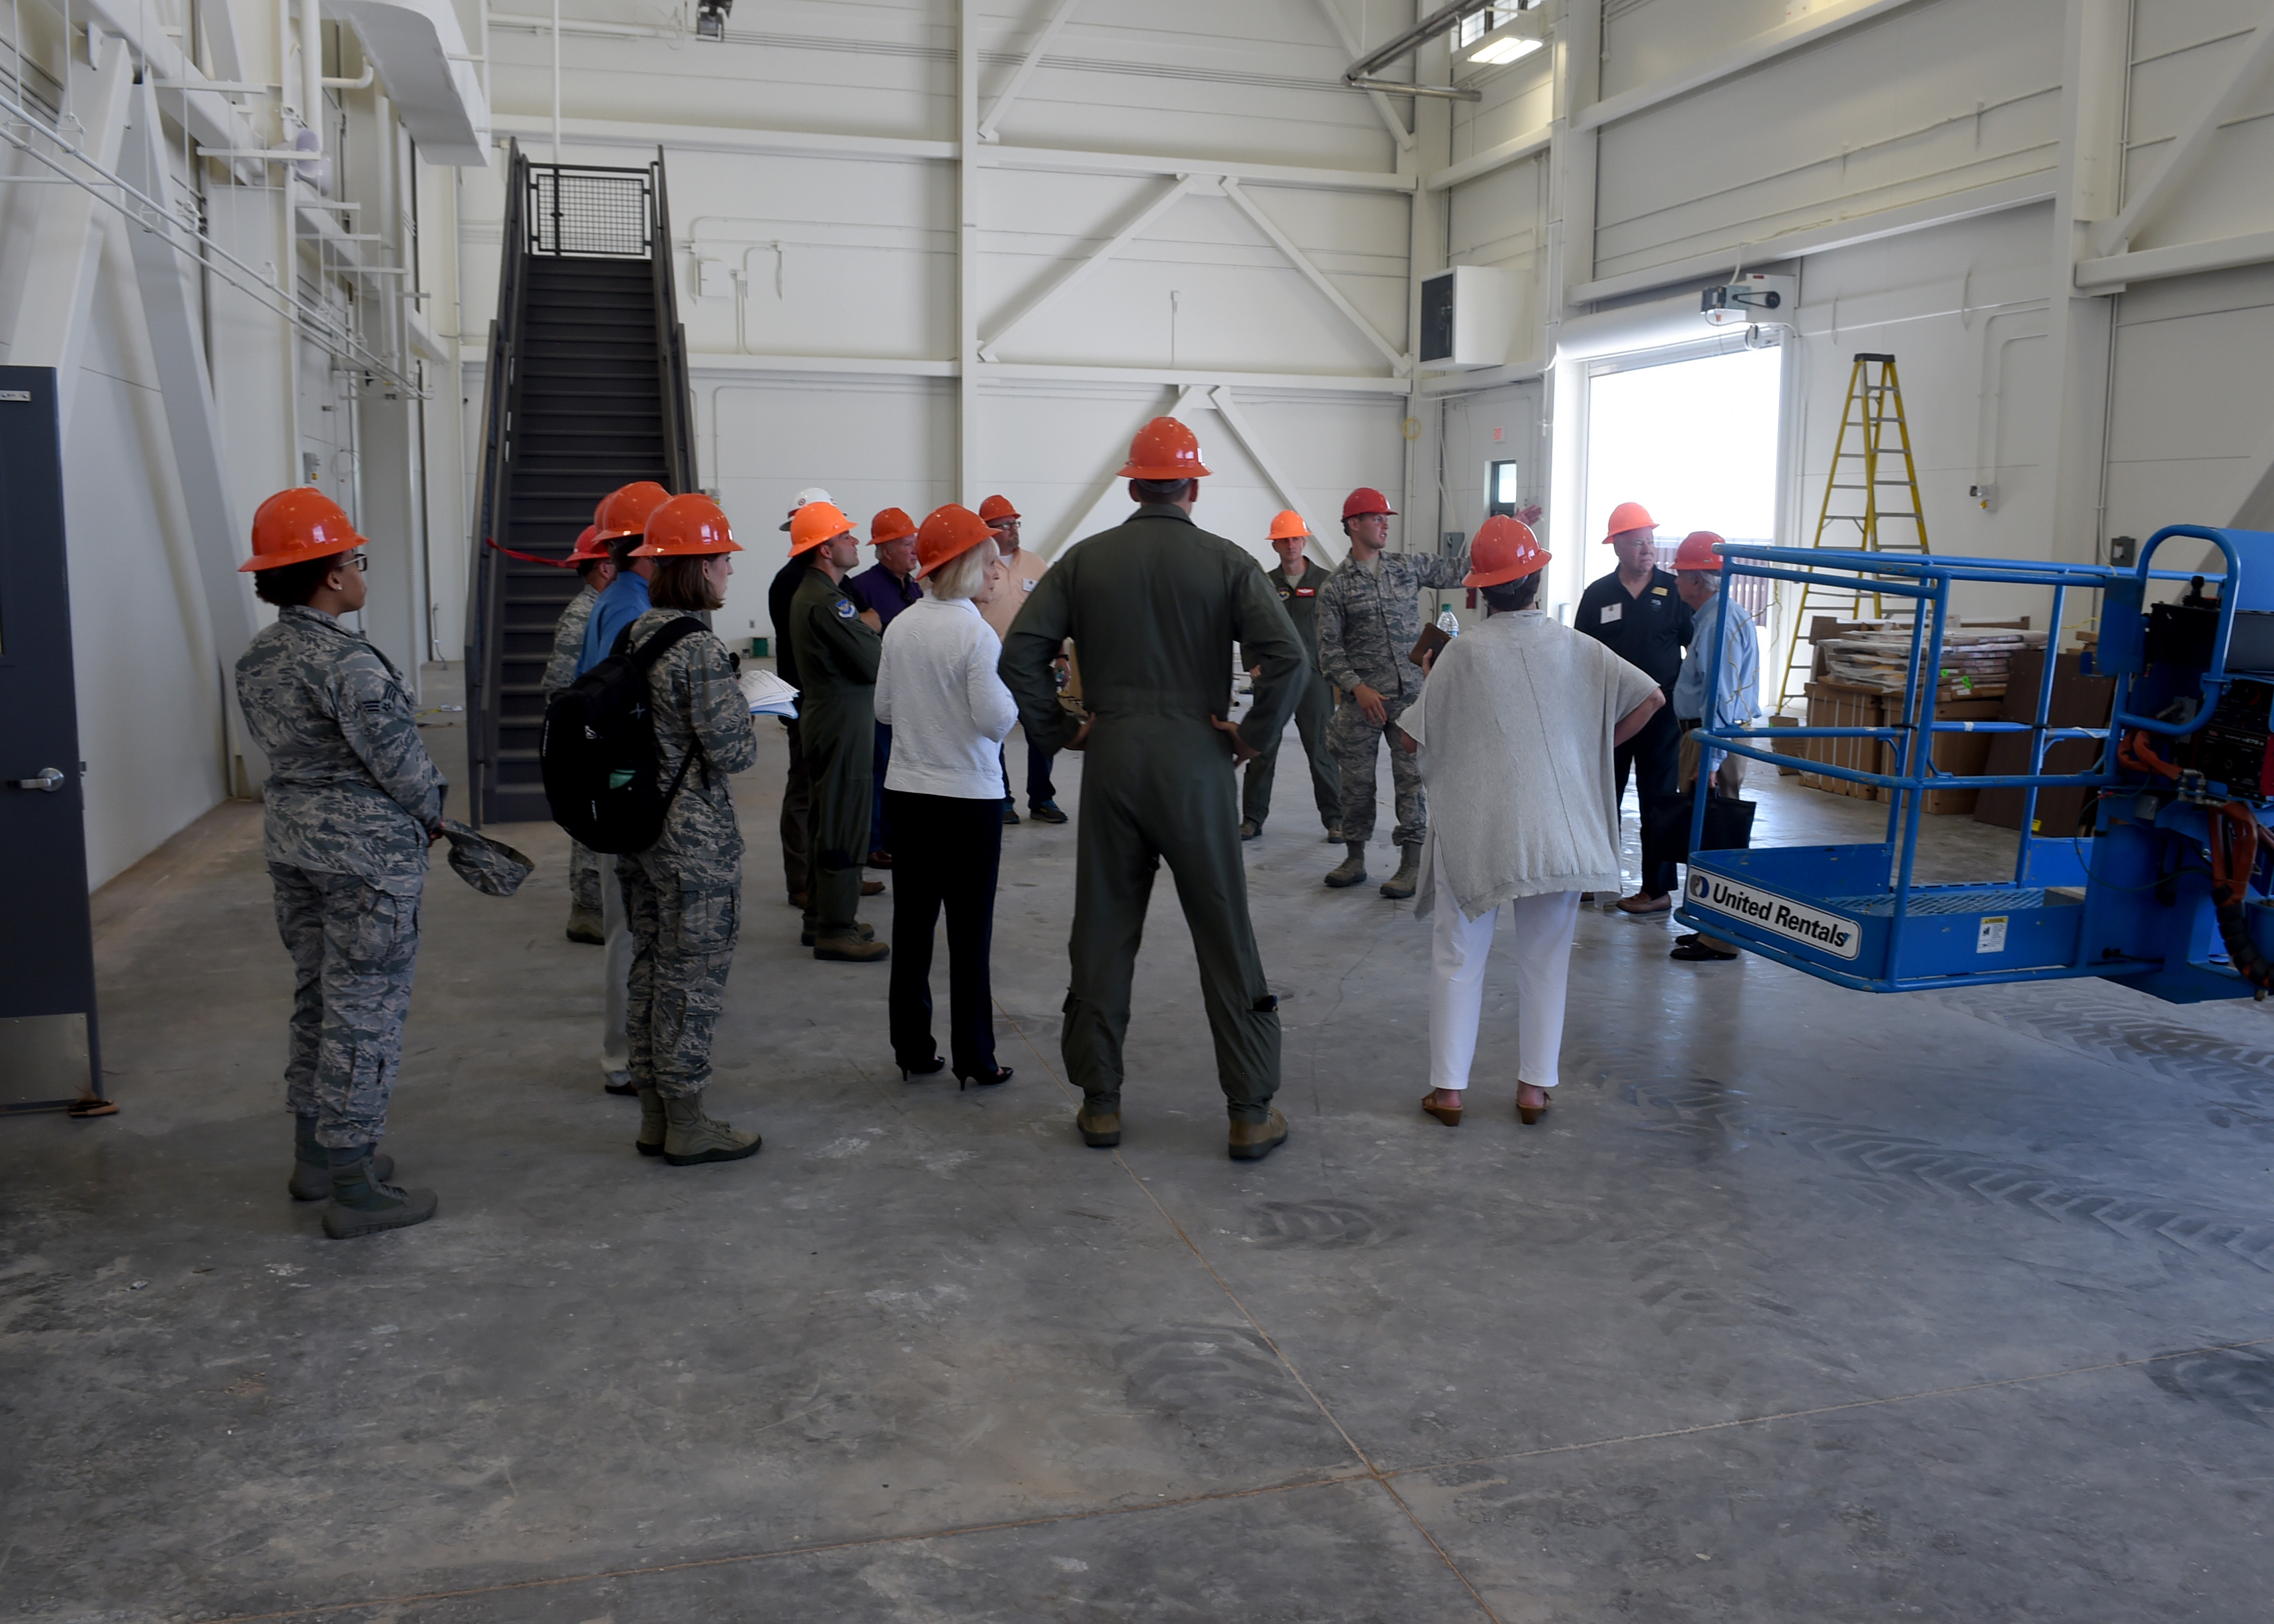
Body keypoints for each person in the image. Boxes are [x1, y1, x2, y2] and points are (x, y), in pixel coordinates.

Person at [999, 417, 1306, 1162]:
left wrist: (1063, 730)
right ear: (1193, 487)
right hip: (1198, 761)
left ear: (1132, 485)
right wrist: (1249, 736)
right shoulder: (1228, 562)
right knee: (1224, 931)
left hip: (1112, 759)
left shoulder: (1084, 562)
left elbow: (1020, 654)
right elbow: (1288, 658)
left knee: (1103, 927)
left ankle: (1100, 1102)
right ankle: (1248, 1108)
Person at [1394, 516, 1665, 1129]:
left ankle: (1450, 1092)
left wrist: (1439, 689)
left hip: (1480, 829)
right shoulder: (1580, 649)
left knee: (1458, 953)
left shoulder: (1461, 655)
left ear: (1482, 590)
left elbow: (1412, 742)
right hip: (1559, 831)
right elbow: (1651, 698)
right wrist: (1590, 747)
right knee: (1546, 957)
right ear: (1537, 577)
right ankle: (1534, 1089)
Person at [233, 488, 445, 1238]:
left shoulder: (257, 657)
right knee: (365, 1007)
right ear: (329, 575)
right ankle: (352, 1185)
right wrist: (432, 813)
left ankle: (314, 1156)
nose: (362, 572)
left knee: (318, 996)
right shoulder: (348, 662)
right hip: (364, 857)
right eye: (356, 560)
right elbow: (405, 767)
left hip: (293, 844)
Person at [614, 493, 765, 1165]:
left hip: (641, 826)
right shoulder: (697, 647)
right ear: (700, 567)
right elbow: (734, 752)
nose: (730, 571)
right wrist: (749, 703)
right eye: (724, 560)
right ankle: (689, 1118)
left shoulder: (636, 633)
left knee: (651, 966)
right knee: (693, 976)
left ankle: (653, 1113)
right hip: (693, 839)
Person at [875, 505, 1021, 1086]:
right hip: (968, 801)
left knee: (912, 928)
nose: (994, 575)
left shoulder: (901, 626)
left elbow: (883, 708)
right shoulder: (975, 635)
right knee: (969, 933)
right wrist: (1013, 700)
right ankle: (976, 1058)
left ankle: (912, 1049)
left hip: (908, 795)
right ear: (963, 568)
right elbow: (994, 721)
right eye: (987, 565)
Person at [1315, 487, 1470, 898]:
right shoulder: (1336, 588)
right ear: (1353, 525)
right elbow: (1328, 652)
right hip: (1361, 702)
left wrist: (1515, 528)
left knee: (1411, 781)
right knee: (1357, 783)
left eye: (1386, 519)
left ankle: (1410, 863)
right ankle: (1354, 857)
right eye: (1377, 518)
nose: (1385, 525)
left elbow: (1460, 570)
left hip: (1409, 698)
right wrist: (1358, 688)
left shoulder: (1406, 567)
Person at [575, 481, 675, 1097]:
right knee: (632, 928)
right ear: (649, 549)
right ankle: (623, 1055)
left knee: (631, 924)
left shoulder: (618, 598)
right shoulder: (633, 608)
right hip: (627, 788)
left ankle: (630, 1048)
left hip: (614, 781)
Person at [1576, 499, 1694, 916]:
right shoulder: (1599, 595)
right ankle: (1593, 877)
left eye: (1651, 542)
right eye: (1639, 543)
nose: (1648, 550)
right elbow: (1580, 655)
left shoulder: (1673, 590)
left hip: (1661, 716)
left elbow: (1692, 647)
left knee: (1658, 798)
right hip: (1610, 713)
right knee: (1601, 796)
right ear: (1618, 547)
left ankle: (1657, 889)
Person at [786, 499, 891, 962]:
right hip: (841, 721)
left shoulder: (818, 594)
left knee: (828, 818)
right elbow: (873, 662)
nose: (854, 542)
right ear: (825, 550)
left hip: (829, 716)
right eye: (845, 537)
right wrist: (870, 630)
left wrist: (866, 629)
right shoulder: (828, 601)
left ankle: (821, 917)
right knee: (844, 820)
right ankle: (836, 926)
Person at [1663, 530, 1761, 963]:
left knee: (1716, 836)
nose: (1676, 581)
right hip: (1711, 734)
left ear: (1697, 581)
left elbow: (1718, 697)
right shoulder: (1719, 617)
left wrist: (1712, 759)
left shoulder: (1717, 624)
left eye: (1681, 574)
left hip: (1711, 736)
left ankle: (1721, 937)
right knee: (1706, 836)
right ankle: (1709, 929)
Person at [1237, 510, 1341, 843]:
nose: (1291, 545)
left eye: (1296, 538)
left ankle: (1336, 820)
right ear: (1276, 545)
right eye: (1285, 540)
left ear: (1304, 540)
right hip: (1275, 679)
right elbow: (1248, 625)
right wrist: (1251, 661)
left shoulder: (1326, 582)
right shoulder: (1265, 584)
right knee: (1261, 749)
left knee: (1322, 751)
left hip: (1315, 678)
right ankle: (1252, 819)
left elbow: (1343, 629)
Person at [544, 523, 615, 946]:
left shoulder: (599, 608)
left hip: (589, 725)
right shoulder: (586, 615)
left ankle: (592, 906)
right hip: (584, 728)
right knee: (592, 814)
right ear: (606, 567)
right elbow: (561, 683)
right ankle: (587, 911)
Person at [978, 493, 1065, 825]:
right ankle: (1001, 799)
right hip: (989, 663)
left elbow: (1053, 614)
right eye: (1006, 525)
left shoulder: (1035, 564)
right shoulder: (979, 563)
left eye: (1016, 523)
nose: (1014, 530)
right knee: (993, 733)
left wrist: (1060, 655)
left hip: (1034, 664)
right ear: (989, 529)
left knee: (1041, 731)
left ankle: (1043, 799)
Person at [848, 507, 925, 870]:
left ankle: (893, 837)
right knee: (879, 766)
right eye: (907, 543)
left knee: (902, 765)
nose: (915, 549)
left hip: (910, 694)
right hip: (879, 692)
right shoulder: (863, 587)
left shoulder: (915, 587)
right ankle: (874, 842)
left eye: (915, 542)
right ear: (885, 549)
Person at [769, 486, 832, 910]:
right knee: (804, 795)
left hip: (821, 702)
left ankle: (830, 876)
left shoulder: (814, 580)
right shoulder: (794, 581)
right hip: (805, 703)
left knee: (827, 795)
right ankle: (801, 881)